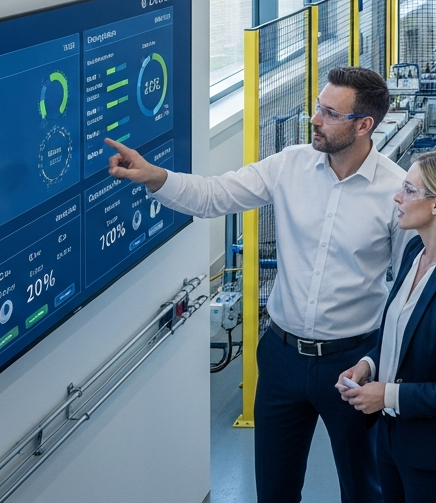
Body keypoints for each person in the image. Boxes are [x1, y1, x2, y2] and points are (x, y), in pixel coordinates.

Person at [105, 66, 408, 503]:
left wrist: (378, 366)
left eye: (329, 113)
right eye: (317, 108)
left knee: (364, 490)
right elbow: (214, 195)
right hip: (282, 358)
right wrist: (155, 176)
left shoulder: (396, 192)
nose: (315, 120)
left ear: (364, 126)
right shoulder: (290, 166)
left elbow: (408, 293)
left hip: (352, 366)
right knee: (274, 489)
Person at [338, 151, 436, 503]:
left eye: (408, 190)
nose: (397, 197)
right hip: (392, 438)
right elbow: (398, 336)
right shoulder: (413, 255)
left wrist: (387, 395)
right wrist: (368, 365)